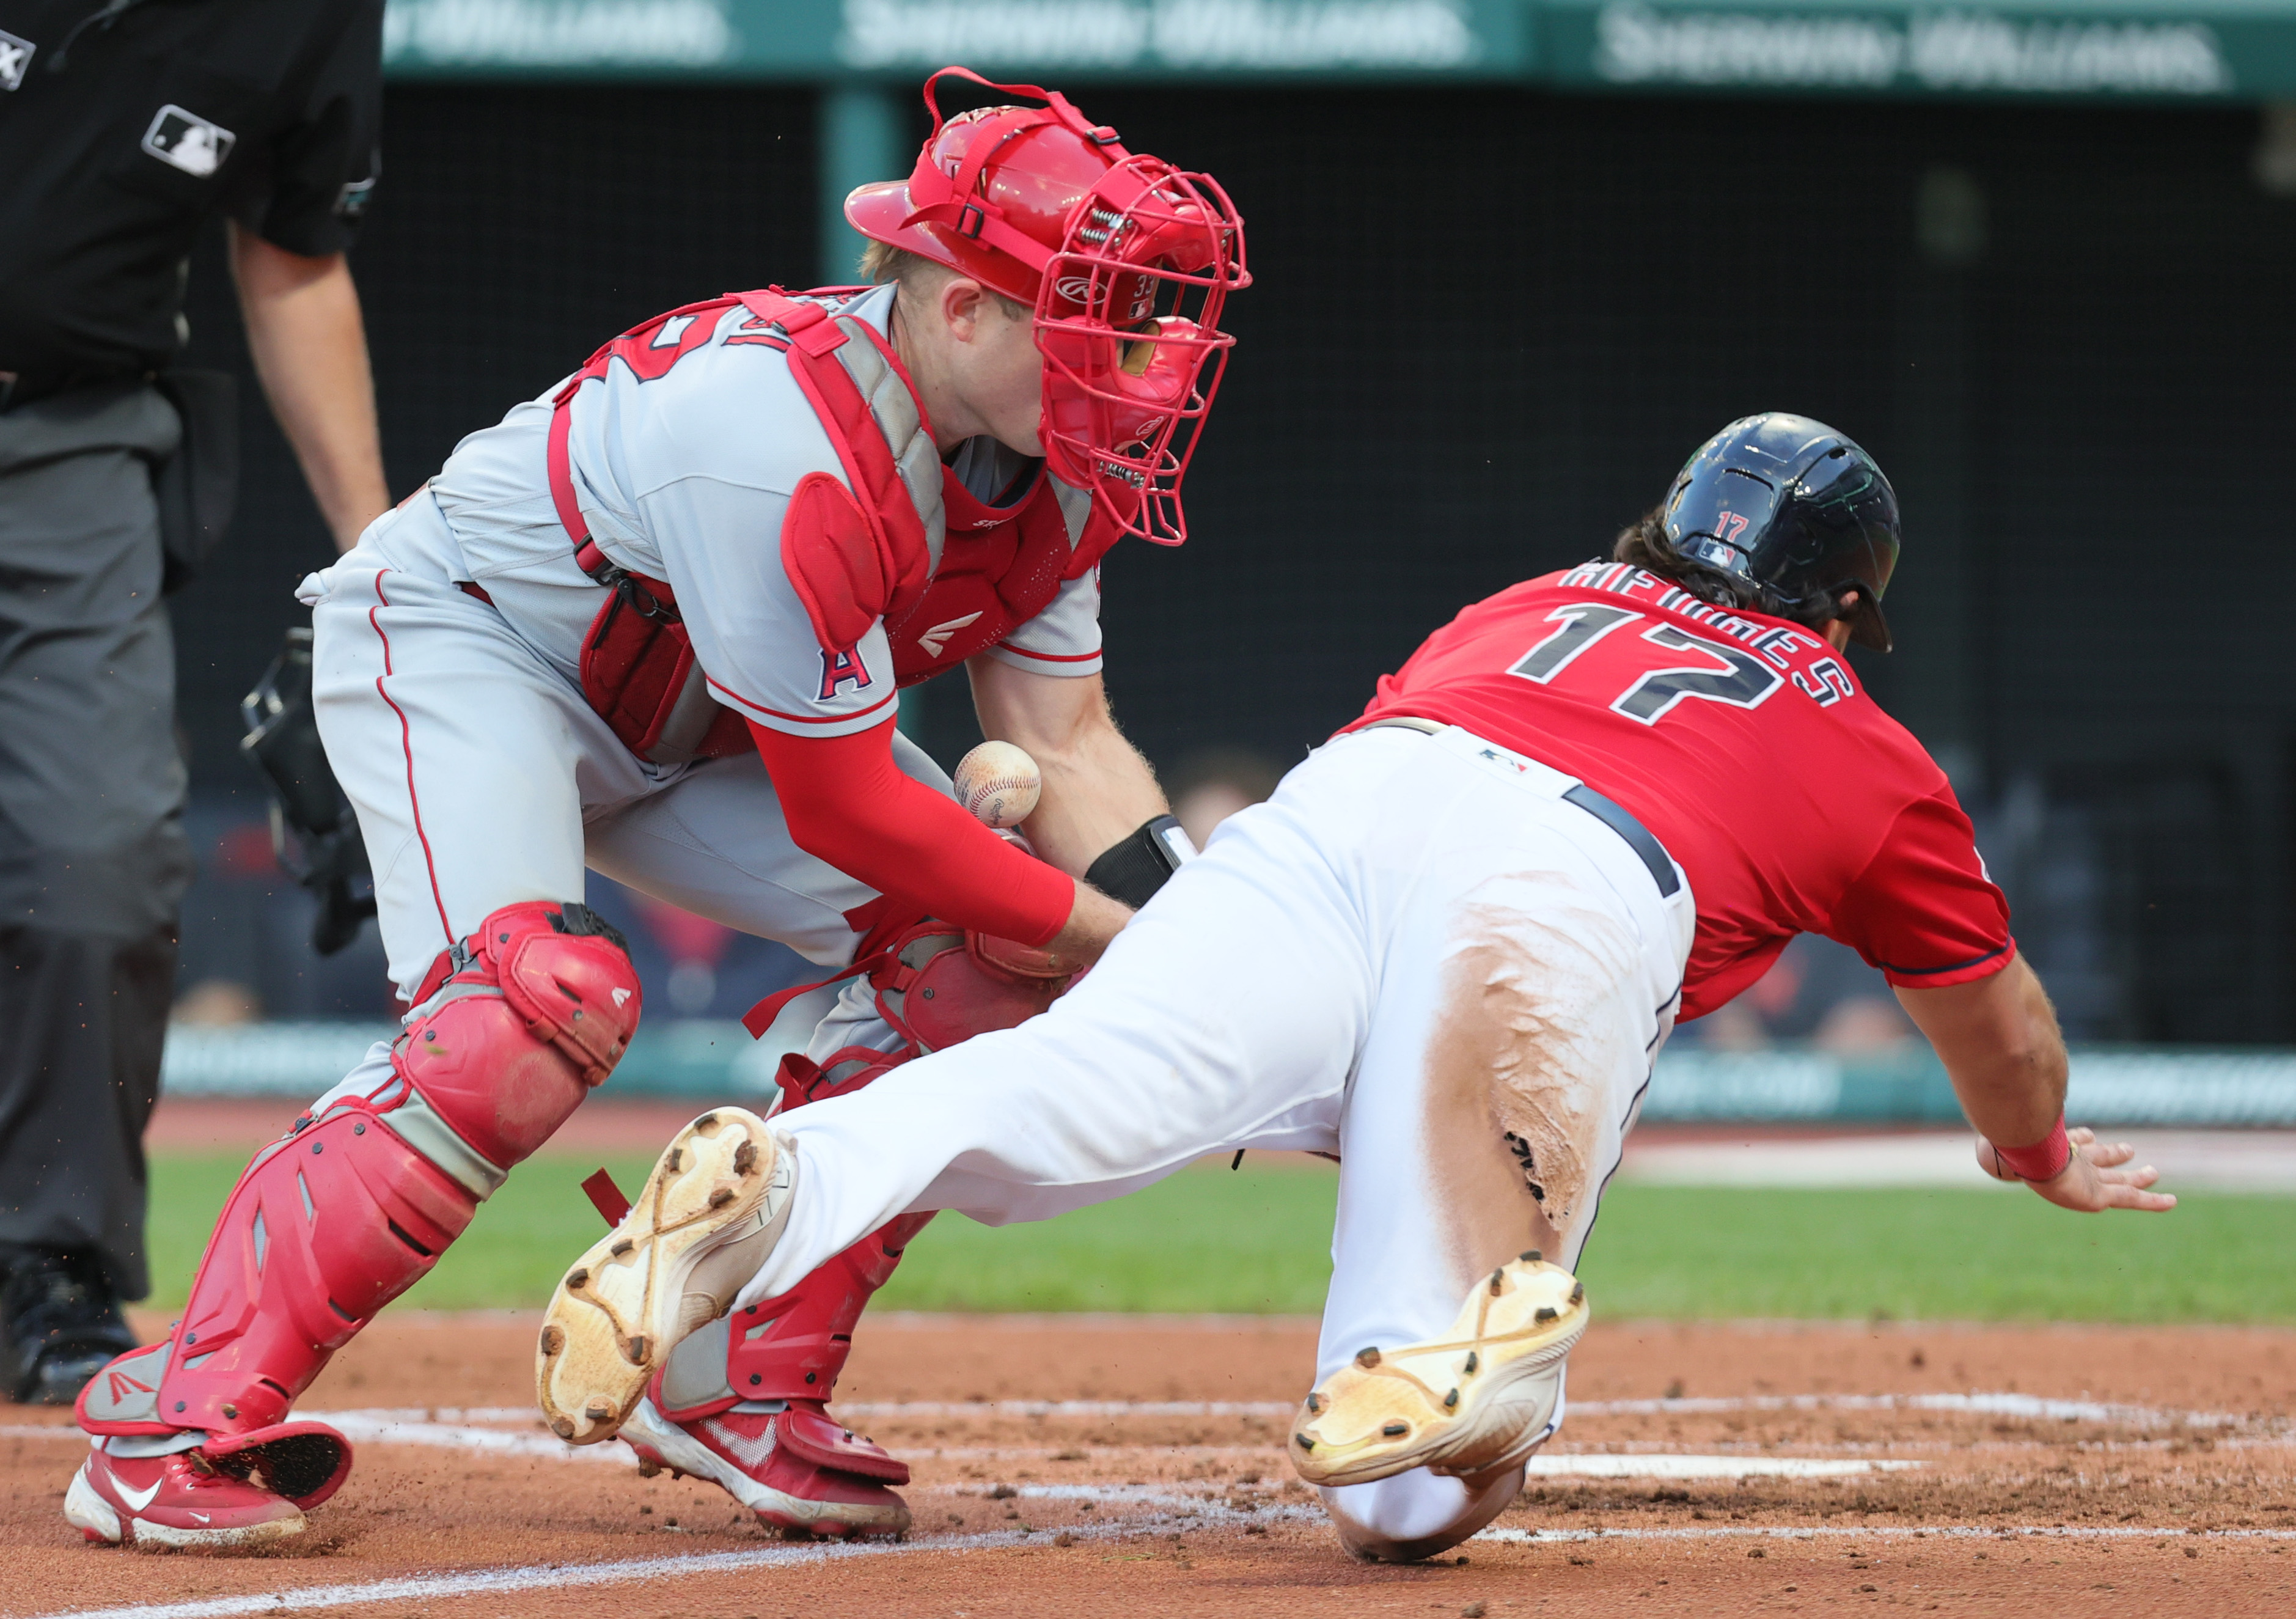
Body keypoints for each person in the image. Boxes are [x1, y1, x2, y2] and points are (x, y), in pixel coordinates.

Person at [532, 412, 2174, 1566]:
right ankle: (1471, 1346)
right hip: (1570, 887)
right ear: (1840, 601)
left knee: (1051, 1113)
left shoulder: (1529, 604)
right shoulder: (1856, 741)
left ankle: (796, 1177)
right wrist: (2028, 1153)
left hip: (1346, 801)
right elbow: (2002, 1028)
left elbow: (1404, 832)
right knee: (1402, 1509)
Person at [65, 67, 1247, 1551]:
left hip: (691, 725)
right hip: (481, 645)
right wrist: (1106, 941)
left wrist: (1200, 946)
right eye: (1104, 313)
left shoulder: (1055, 463)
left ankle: (723, 1364)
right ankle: (175, 1408)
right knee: (532, 1005)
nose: (1143, 355)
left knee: (982, 970)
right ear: (961, 308)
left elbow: (1063, 738)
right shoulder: (776, 433)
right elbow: (850, 811)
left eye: (1149, 314)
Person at [0, 0, 389, 1407]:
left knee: (100, 855)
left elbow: (293, 257)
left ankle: (50, 1267)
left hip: (70, 441)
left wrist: (374, 578)